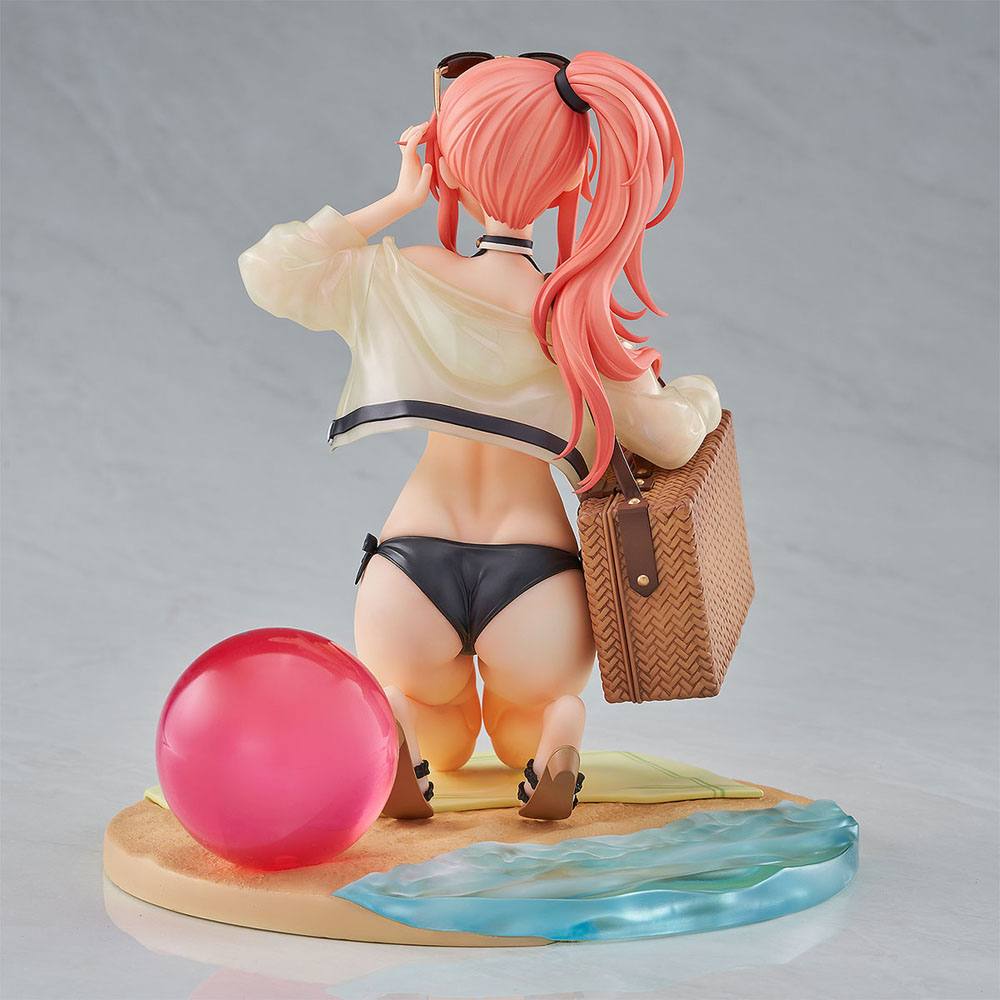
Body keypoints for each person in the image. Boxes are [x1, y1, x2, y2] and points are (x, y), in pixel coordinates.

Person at [239, 51, 721, 821]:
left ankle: (399, 716)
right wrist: (698, 393)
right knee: (525, 718)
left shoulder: (405, 277)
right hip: (537, 579)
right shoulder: (577, 318)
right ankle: (556, 731)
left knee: (441, 733)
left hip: (407, 571)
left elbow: (271, 270)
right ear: (573, 178)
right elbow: (670, 441)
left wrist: (398, 199)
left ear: (450, 164)